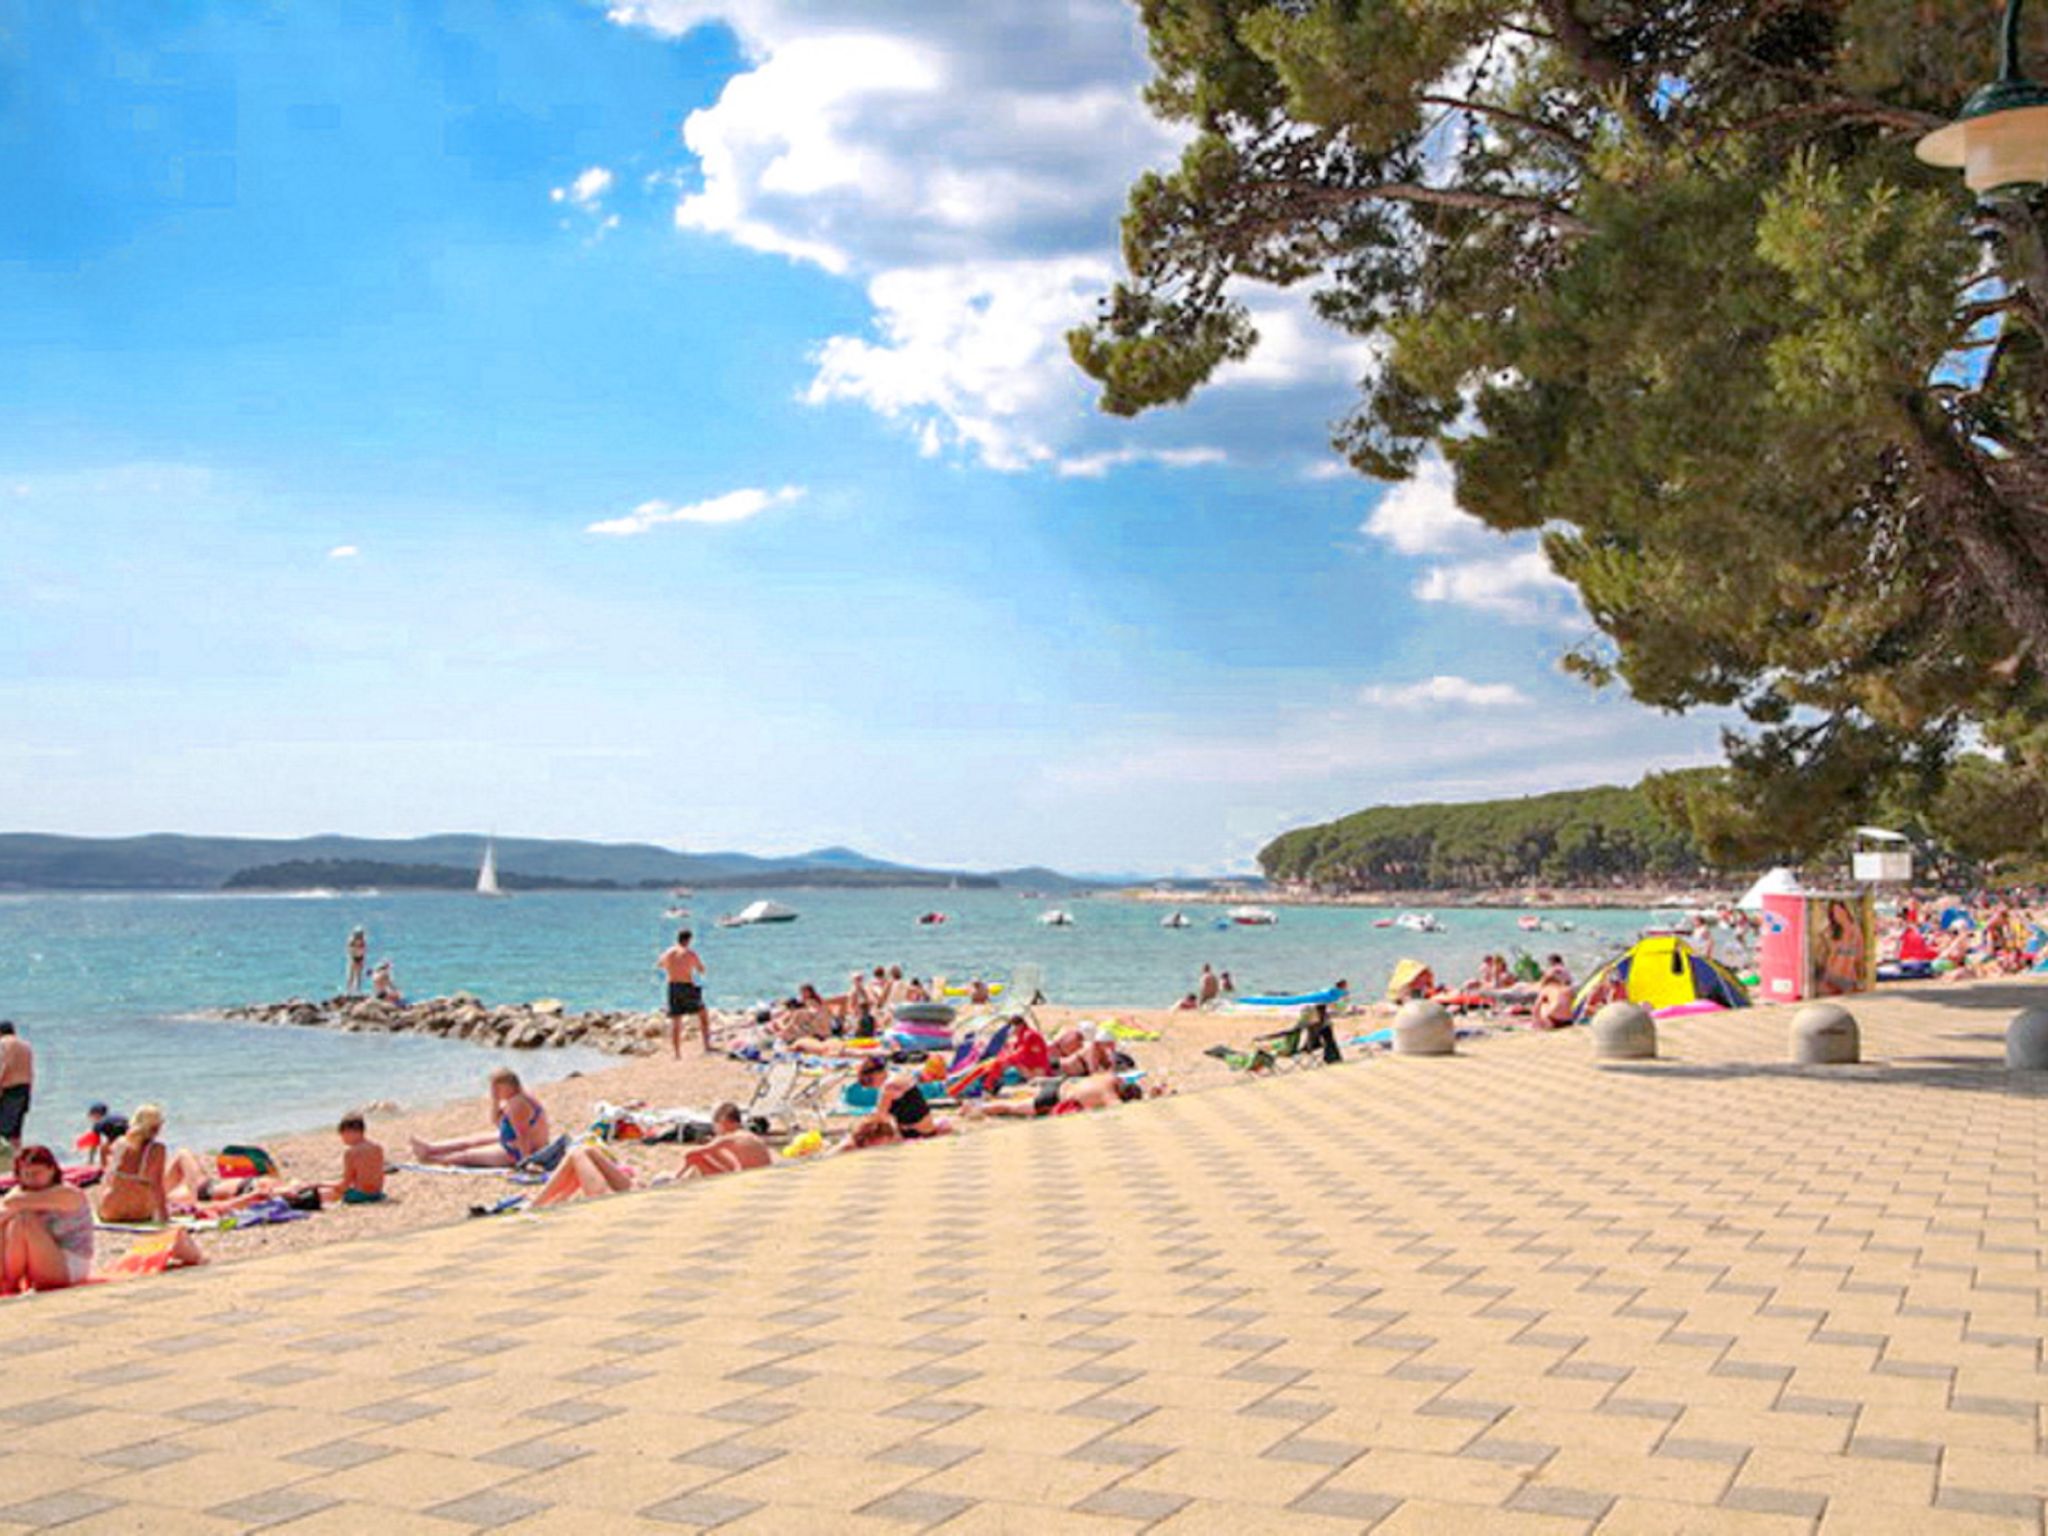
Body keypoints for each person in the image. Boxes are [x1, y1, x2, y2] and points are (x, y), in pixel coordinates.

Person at [409, 1069, 551, 1168]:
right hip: (517, 1141)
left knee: (468, 1156)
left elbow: (523, 1135)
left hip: (521, 1151)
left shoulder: (518, 1104)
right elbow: (497, 1121)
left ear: (507, 1087)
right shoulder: (517, 1097)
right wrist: (495, 1101)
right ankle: (430, 1148)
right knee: (471, 1141)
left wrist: (526, 1161)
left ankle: (432, 1159)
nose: (493, 1092)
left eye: (496, 1089)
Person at [0, 1146, 95, 1292]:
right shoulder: (20, 1194)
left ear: (51, 1170)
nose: (32, 1179)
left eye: (37, 1173)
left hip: (70, 1263)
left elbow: (13, 1202)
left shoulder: (68, 1193)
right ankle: (7, 1278)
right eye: (26, 1174)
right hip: (40, 1260)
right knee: (7, 1224)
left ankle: (10, 1283)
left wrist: (12, 1203)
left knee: (24, 1219)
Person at [96, 1105, 170, 1225]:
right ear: (156, 1126)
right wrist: (164, 1216)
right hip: (140, 1213)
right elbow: (157, 1185)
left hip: (110, 1211)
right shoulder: (157, 1149)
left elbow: (107, 1178)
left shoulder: (119, 1143)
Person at [969, 1072, 1150, 1119]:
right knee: (1011, 1107)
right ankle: (975, 1108)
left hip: (1063, 1082)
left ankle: (982, 1101)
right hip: (1054, 1097)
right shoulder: (1108, 1094)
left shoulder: (1110, 1078)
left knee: (1016, 1098)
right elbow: (1122, 1111)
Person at [856, 1056, 948, 1140]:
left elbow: (879, 1116)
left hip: (914, 1134)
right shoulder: (900, 1074)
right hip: (927, 1130)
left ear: (877, 1073)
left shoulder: (888, 1087)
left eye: (868, 1081)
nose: (870, 1086)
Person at [680, 1102, 771, 1178]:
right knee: (712, 1154)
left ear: (722, 1123)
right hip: (762, 1178)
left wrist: (680, 1173)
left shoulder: (729, 1138)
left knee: (697, 1159)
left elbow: (689, 1154)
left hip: (746, 1181)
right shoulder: (750, 1137)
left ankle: (679, 1182)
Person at [657, 929, 710, 1056]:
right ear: (688, 940)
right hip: (687, 986)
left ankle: (677, 1053)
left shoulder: (668, 952)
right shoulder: (690, 953)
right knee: (703, 1015)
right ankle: (706, 1046)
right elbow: (701, 969)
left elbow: (660, 964)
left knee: (676, 1020)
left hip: (673, 987)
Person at [325, 1114, 385, 1205]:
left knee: (325, 1193)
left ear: (349, 1132)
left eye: (342, 1134)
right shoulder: (377, 1147)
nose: (342, 1139)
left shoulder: (351, 1152)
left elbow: (346, 1183)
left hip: (360, 1196)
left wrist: (321, 1184)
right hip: (378, 1194)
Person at [0, 1021, 32, 1166]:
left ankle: (5, 1165)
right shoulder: (25, 1046)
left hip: (8, 1089)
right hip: (24, 1088)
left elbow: (4, 1065)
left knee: (3, 1131)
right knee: (16, 1133)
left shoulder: (3, 1043)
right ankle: (19, 1164)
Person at [77, 1102, 128, 1169]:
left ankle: (103, 1169)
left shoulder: (99, 1124)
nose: (92, 1119)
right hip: (127, 1137)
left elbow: (94, 1145)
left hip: (118, 1139)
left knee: (103, 1149)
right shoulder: (114, 1117)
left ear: (97, 1114)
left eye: (92, 1116)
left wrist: (90, 1161)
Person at [1533, 955, 1578, 1029]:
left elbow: (1535, 1008)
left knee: (1544, 1004)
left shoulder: (1548, 984)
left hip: (1553, 1019)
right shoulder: (1566, 972)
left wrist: (1536, 1022)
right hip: (1569, 1020)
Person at [345, 926, 368, 996]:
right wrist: (354, 958)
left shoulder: (363, 941)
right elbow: (349, 950)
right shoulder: (351, 941)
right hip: (353, 958)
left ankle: (357, 991)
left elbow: (364, 951)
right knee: (351, 975)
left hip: (360, 958)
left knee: (358, 976)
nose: (359, 936)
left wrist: (361, 959)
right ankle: (349, 991)